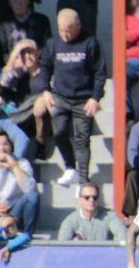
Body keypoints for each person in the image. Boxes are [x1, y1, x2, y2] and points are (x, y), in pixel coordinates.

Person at [35, 9, 107, 185]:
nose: (64, 34)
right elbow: (44, 68)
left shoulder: (90, 43)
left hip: (84, 99)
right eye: (61, 30)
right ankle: (70, 167)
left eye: (68, 29)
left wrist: (95, 97)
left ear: (78, 26)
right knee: (59, 133)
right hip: (60, 97)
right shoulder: (53, 44)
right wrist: (45, 91)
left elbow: (100, 72)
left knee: (82, 140)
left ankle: (83, 180)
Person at [0, 0, 51, 64]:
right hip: (13, 64)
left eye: (22, 0)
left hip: (36, 63)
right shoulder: (4, 24)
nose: (18, 4)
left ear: (28, 1)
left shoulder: (42, 20)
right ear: (10, 3)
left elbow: (47, 47)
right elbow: (3, 51)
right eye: (14, 0)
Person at [58, 182, 127, 242]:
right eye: (87, 197)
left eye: (95, 197)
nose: (91, 200)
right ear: (80, 200)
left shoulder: (110, 216)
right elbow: (62, 246)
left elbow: (123, 235)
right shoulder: (70, 221)